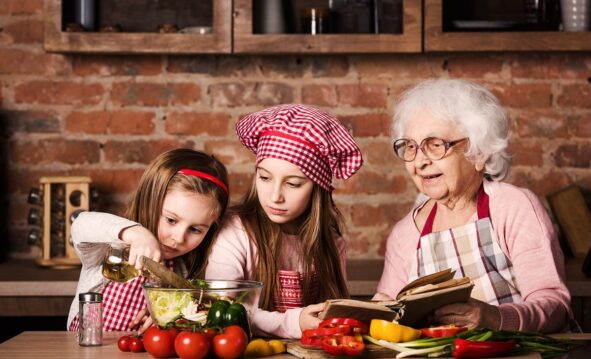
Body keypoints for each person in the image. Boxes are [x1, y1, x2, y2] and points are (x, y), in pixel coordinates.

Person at [373, 79, 572, 333]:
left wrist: (496, 319)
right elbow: (388, 311)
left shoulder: (513, 209)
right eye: (411, 147)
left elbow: (555, 307)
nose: (420, 161)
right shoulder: (405, 235)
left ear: (478, 153)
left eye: (435, 145)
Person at [205, 104, 363, 338]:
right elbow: (220, 307)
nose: (275, 196)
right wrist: (294, 322)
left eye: (293, 184)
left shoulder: (331, 241)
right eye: (265, 177)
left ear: (318, 188)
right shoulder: (236, 232)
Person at [67, 148, 229, 332]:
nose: (178, 238)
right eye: (171, 220)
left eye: (195, 229)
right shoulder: (110, 246)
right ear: (148, 202)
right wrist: (137, 234)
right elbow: (81, 224)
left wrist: (170, 316)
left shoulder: (183, 272)